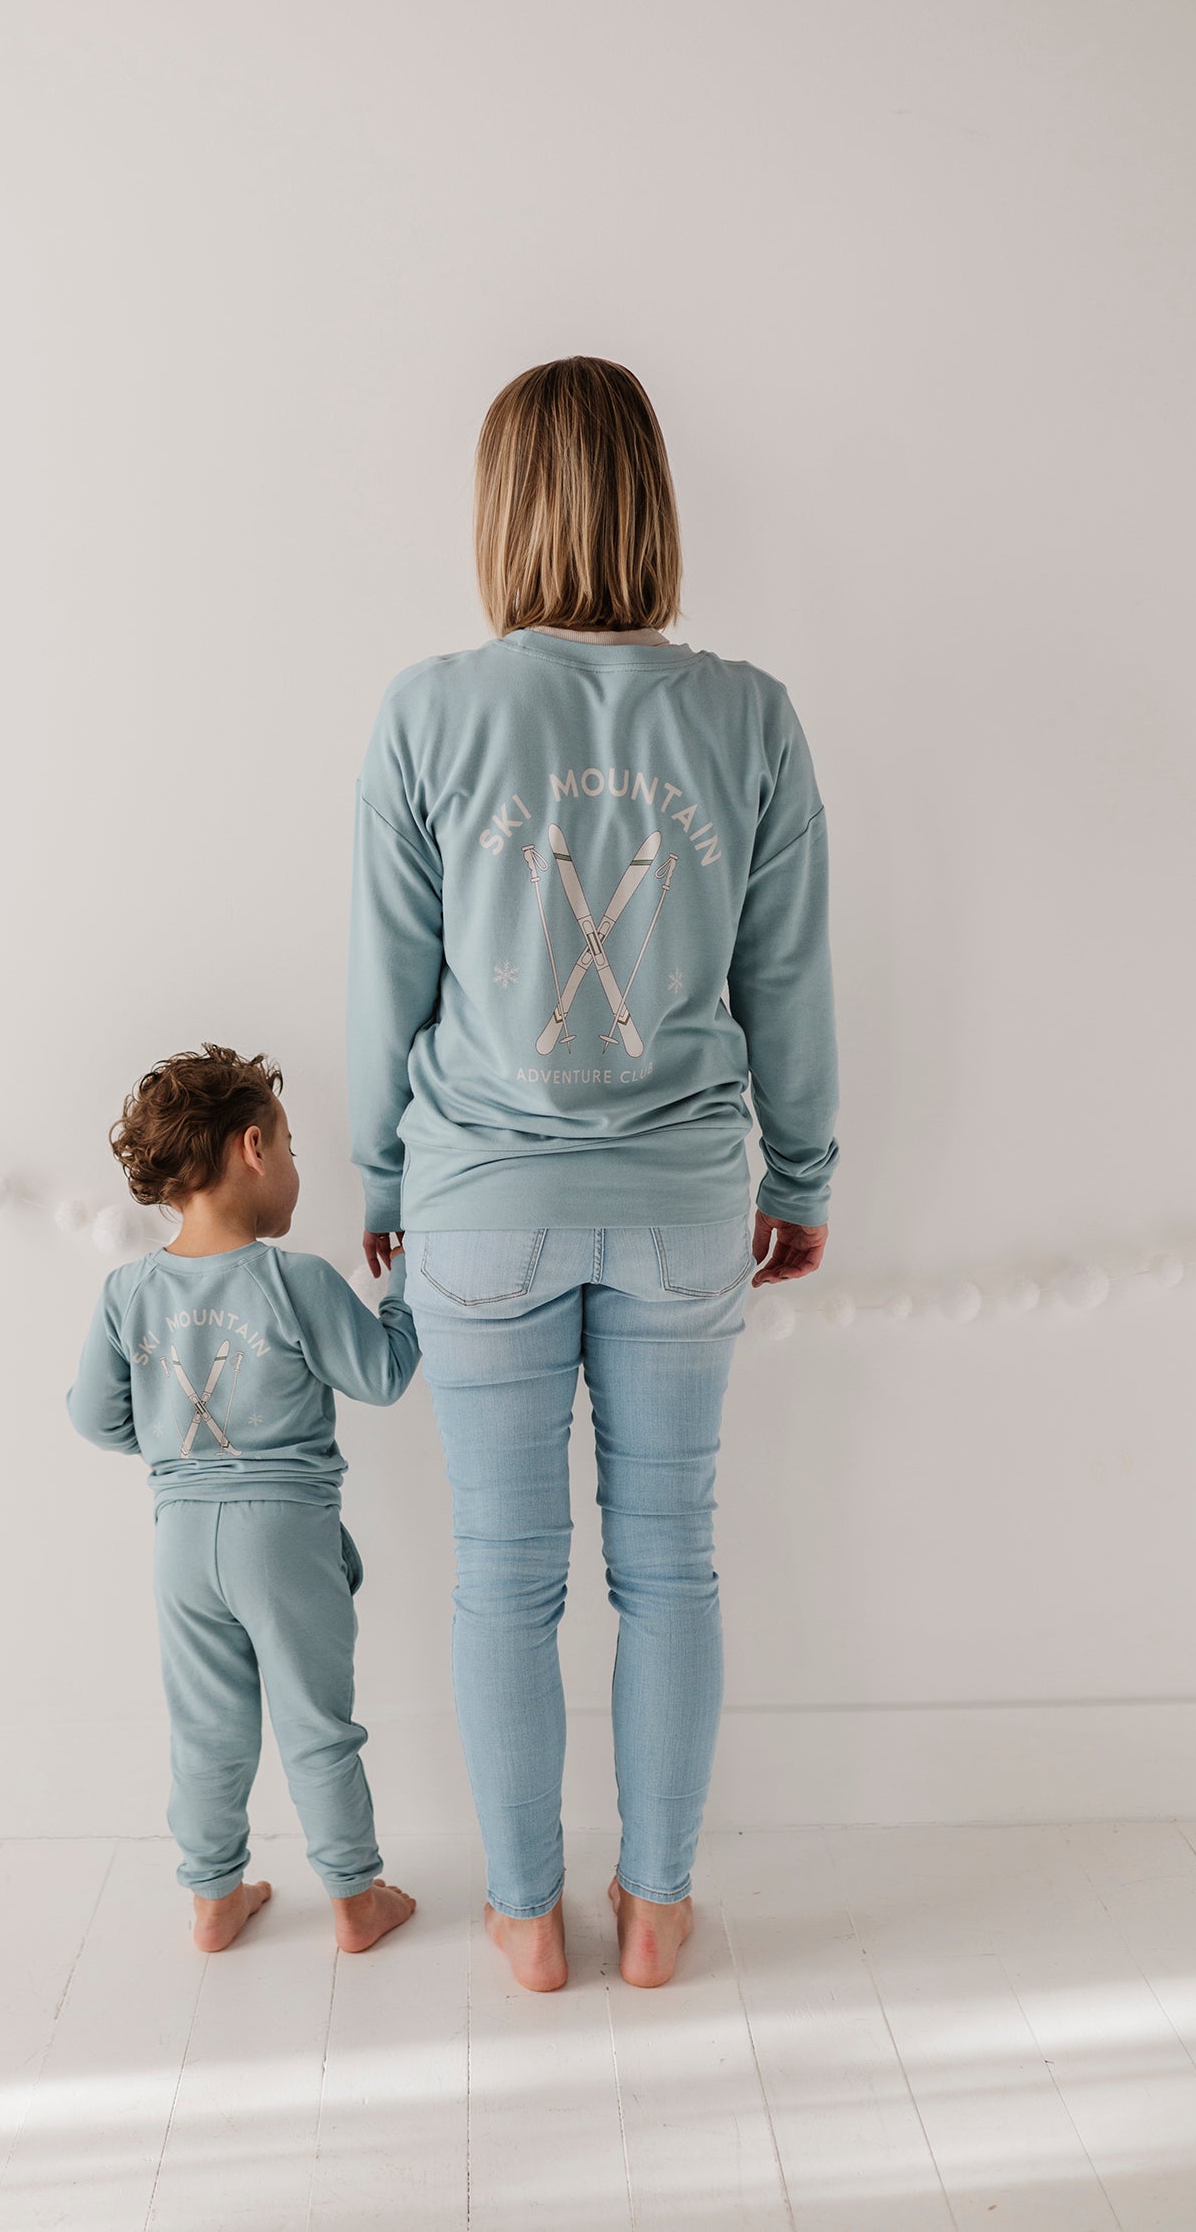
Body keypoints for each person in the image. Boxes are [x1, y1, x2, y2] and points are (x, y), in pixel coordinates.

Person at [346, 357, 838, 1991]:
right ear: (654, 504)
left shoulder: (430, 712)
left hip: (477, 1206)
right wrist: (801, 1176)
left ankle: (518, 1914)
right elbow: (788, 978)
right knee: (669, 1561)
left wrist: (380, 1179)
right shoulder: (749, 717)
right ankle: (657, 1907)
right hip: (687, 1204)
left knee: (505, 1576)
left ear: (502, 513)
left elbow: (386, 981)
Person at [66, 1045, 420, 1956]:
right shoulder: (294, 1281)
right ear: (253, 1148)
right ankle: (355, 1900)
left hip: (182, 1543)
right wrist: (409, 1286)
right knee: (315, 1725)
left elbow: (95, 1418)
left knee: (206, 1730)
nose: (295, 1165)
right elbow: (383, 1374)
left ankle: (214, 1897)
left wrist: (173, 1448)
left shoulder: (127, 1292)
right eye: (291, 1146)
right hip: (283, 1539)